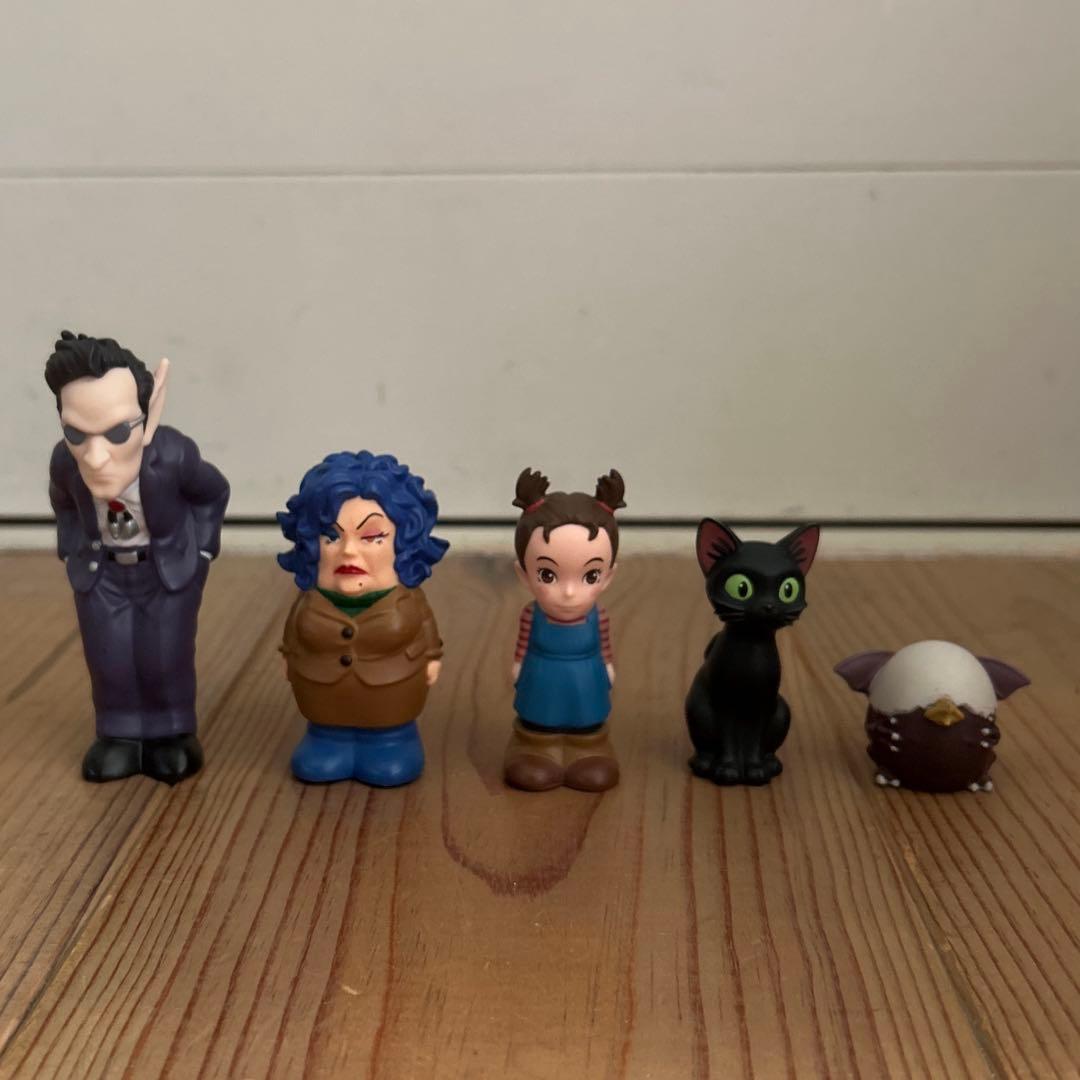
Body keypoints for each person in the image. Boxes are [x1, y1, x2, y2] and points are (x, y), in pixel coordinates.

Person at [45, 331, 229, 783]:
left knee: (163, 653)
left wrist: (203, 549)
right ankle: (119, 733)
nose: (96, 456)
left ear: (149, 418)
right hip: (102, 572)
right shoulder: (67, 465)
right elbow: (63, 502)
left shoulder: (173, 456)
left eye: (116, 433)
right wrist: (71, 547)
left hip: (162, 570)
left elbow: (212, 492)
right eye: (76, 434)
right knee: (109, 655)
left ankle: (170, 732)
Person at [277, 451, 448, 785]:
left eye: (371, 537)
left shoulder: (408, 599)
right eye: (331, 537)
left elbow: (426, 627)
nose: (348, 551)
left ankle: (391, 742)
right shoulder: (310, 599)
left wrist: (431, 656)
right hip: (322, 701)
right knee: (320, 755)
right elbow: (293, 630)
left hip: (393, 701)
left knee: (390, 759)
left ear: (403, 542)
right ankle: (328, 742)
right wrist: (289, 655)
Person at [504, 467, 625, 792]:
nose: (569, 593)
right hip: (541, 676)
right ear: (524, 575)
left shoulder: (599, 616)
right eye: (547, 575)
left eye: (589, 576)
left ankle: (589, 750)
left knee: (587, 720)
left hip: (587, 678)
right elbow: (522, 644)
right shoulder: (531, 615)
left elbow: (605, 645)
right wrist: (518, 665)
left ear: (608, 577)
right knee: (537, 719)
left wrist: (608, 665)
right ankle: (534, 749)